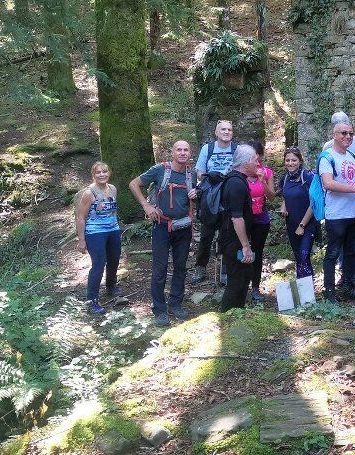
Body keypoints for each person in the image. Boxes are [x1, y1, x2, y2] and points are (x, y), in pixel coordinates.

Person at [129, 140, 197, 327]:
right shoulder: (161, 170)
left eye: (186, 150)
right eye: (179, 150)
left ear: (190, 153)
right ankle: (159, 310)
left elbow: (195, 197)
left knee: (181, 267)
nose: (182, 153)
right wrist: (146, 205)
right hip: (161, 226)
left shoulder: (191, 174)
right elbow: (134, 184)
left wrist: (196, 195)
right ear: (172, 152)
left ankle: (176, 304)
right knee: (159, 270)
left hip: (183, 228)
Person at [320, 120, 355, 303]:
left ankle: (348, 287)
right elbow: (328, 183)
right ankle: (329, 293)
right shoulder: (326, 157)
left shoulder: (352, 155)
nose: (348, 137)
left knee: (352, 251)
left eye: (351, 133)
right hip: (336, 215)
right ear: (334, 135)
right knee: (333, 253)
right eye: (343, 133)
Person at [191, 120, 237, 284]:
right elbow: (200, 171)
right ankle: (200, 267)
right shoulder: (208, 149)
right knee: (206, 234)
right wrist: (208, 182)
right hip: (210, 197)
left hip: (229, 196)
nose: (226, 132)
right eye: (223, 129)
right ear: (216, 133)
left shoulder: (236, 149)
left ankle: (225, 270)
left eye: (229, 129)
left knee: (227, 234)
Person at [74, 161, 123, 315]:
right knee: (99, 264)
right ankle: (92, 300)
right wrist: (81, 240)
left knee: (114, 259)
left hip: (113, 229)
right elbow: (80, 217)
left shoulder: (113, 189)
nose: (102, 175)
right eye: (98, 172)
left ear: (109, 173)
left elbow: (112, 211)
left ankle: (111, 286)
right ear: (93, 175)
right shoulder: (89, 193)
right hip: (95, 232)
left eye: (104, 172)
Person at [219, 144, 259, 311]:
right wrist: (245, 246)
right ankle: (226, 317)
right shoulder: (236, 183)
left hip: (235, 240)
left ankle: (237, 316)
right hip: (233, 242)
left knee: (243, 278)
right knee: (236, 281)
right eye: (255, 161)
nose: (258, 164)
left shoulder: (238, 181)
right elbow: (237, 218)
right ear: (246, 163)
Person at [278, 147, 317, 279]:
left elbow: (313, 203)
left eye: (294, 160)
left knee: (304, 255)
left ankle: (308, 294)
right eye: (287, 160)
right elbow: (285, 196)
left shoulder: (307, 177)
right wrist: (283, 206)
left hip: (308, 223)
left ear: (300, 161)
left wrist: (302, 225)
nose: (290, 163)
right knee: (299, 259)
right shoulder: (284, 179)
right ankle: (304, 291)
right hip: (291, 224)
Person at [246, 139, 276, 304]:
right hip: (243, 219)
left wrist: (262, 180)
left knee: (257, 253)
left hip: (261, 219)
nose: (255, 160)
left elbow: (272, 197)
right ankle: (240, 284)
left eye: (257, 156)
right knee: (241, 251)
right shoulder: (240, 173)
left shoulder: (267, 172)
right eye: (251, 156)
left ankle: (255, 287)